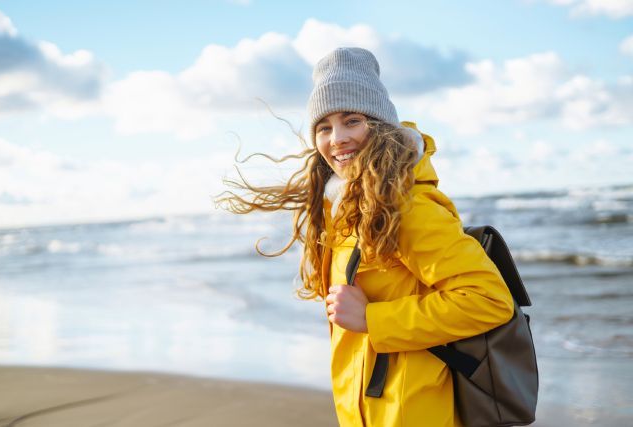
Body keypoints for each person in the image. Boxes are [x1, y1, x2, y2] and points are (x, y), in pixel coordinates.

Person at [217, 47, 514, 427]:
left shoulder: (408, 207)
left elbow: (489, 300)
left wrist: (374, 318)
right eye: (324, 127)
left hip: (414, 413)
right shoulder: (345, 210)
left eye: (352, 120)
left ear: (381, 126)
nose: (337, 138)